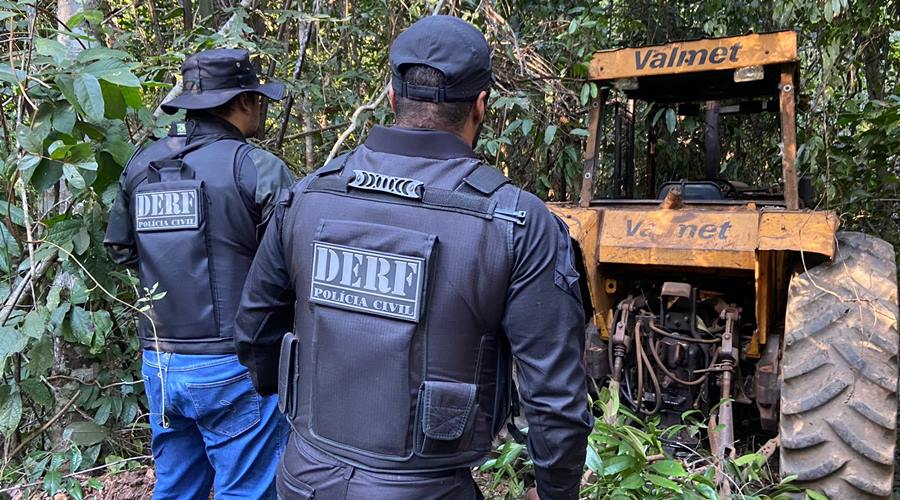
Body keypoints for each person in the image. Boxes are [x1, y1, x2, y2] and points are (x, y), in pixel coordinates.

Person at [234, 15, 593, 500]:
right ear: (482, 107)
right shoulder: (517, 223)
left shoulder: (307, 197)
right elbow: (555, 402)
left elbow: (255, 332)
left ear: (391, 98)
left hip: (305, 478)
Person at [104, 48, 293, 499]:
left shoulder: (141, 167)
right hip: (235, 361)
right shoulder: (257, 168)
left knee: (176, 487)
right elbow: (293, 264)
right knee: (248, 490)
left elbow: (120, 250)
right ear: (243, 102)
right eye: (257, 99)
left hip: (161, 362)